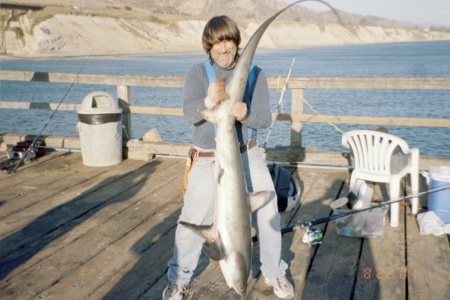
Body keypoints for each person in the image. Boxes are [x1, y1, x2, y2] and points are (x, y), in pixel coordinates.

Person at [163, 15, 294, 300]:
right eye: (217, 45)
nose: (223, 49)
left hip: (247, 153)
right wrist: (209, 102)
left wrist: (243, 113)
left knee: (270, 210)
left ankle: (274, 271)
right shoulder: (197, 73)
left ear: (237, 43)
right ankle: (179, 278)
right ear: (208, 48)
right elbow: (188, 114)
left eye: (229, 42)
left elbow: (263, 118)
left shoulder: (255, 74)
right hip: (208, 156)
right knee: (191, 220)